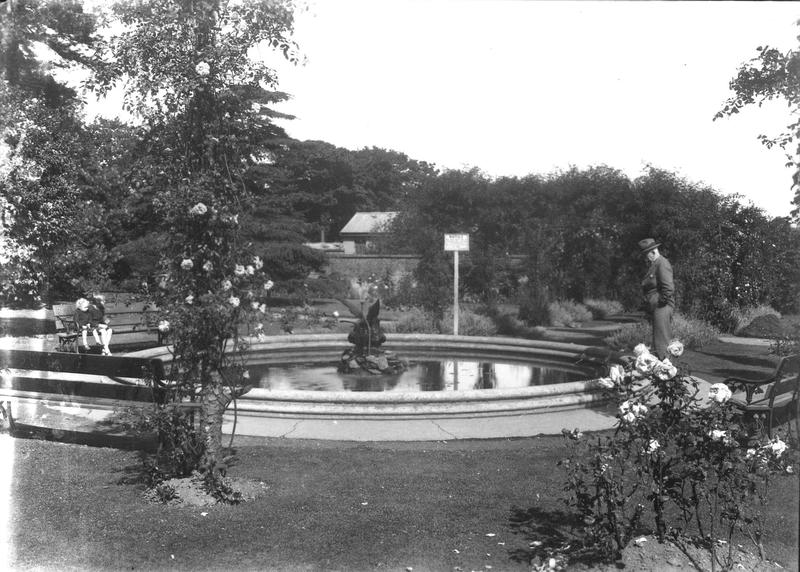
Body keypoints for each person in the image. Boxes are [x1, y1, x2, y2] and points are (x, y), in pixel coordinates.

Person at [639, 238, 675, 359]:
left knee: (662, 343)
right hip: (657, 307)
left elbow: (668, 288)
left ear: (653, 252)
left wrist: (658, 303)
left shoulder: (662, 263)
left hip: (662, 307)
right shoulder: (655, 264)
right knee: (658, 342)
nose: (645, 258)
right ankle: (661, 371)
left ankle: (666, 372)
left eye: (646, 254)